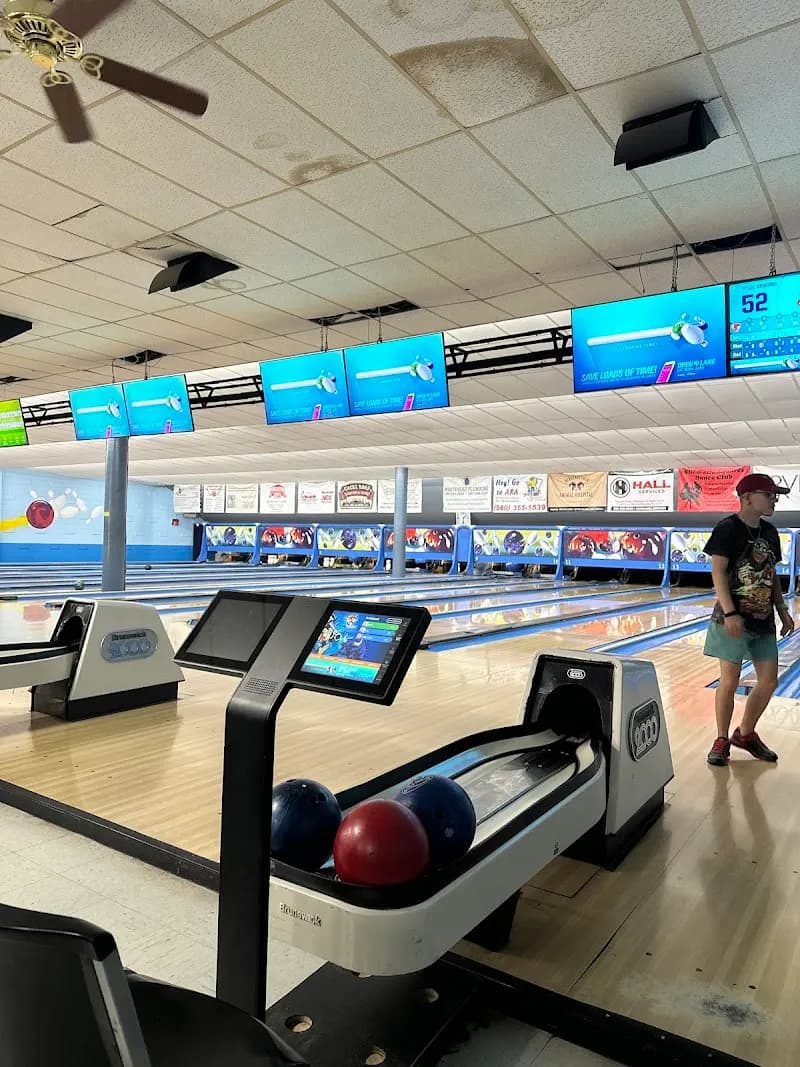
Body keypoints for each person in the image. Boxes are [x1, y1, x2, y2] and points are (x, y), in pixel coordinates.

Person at [704, 473, 795, 766]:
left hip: (763, 619)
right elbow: (718, 573)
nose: (774, 500)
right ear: (746, 499)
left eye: (774, 496)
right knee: (729, 681)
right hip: (731, 618)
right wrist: (730, 612)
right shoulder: (727, 529)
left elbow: (772, 574)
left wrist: (782, 610)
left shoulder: (770, 532)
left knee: (768, 681)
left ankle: (745, 734)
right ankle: (721, 738)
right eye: (769, 495)